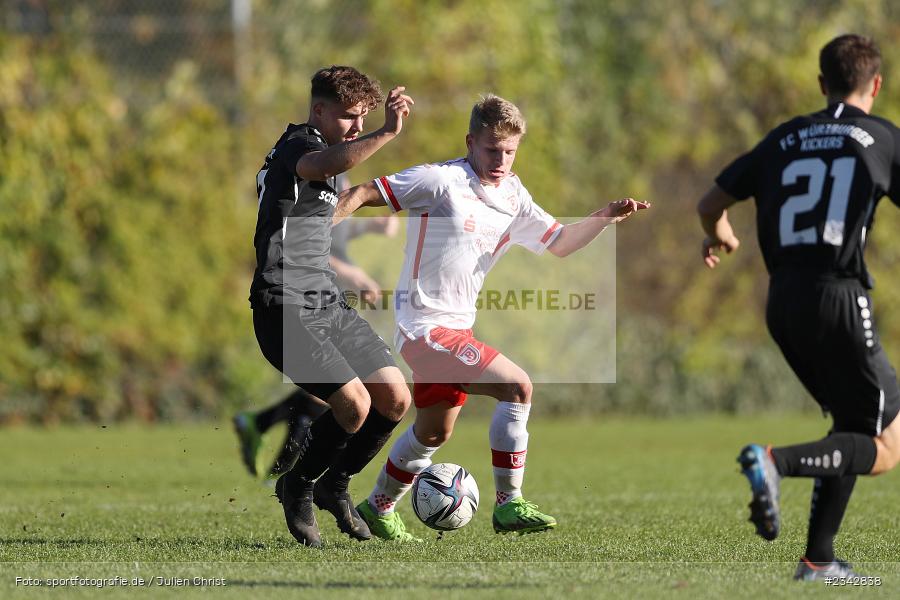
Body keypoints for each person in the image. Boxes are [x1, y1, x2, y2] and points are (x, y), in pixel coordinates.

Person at [334, 94, 648, 541]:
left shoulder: (513, 195)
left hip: (456, 329)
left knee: (432, 434)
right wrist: (312, 227)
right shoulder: (441, 180)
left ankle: (378, 507)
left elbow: (559, 242)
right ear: (470, 142)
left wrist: (603, 217)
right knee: (518, 387)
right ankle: (509, 503)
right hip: (424, 328)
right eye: (492, 150)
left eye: (510, 151)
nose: (501, 161)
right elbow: (366, 191)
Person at [697, 34, 900, 581]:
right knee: (887, 445)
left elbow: (710, 203)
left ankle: (818, 560)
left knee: (852, 424)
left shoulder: (783, 138)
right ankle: (775, 462)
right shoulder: (882, 137)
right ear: (876, 84)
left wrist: (722, 234)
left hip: (783, 301)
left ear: (821, 83)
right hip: (839, 296)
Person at [249, 65, 414, 547]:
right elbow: (321, 166)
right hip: (282, 304)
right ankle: (297, 485)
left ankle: (333, 485)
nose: (357, 127)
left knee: (394, 397)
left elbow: (323, 216)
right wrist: (386, 132)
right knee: (354, 405)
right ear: (318, 111)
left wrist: (362, 199)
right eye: (349, 117)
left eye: (364, 117)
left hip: (325, 300)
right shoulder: (298, 145)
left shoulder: (324, 162)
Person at [235, 199, 399, 480]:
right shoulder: (313, 176)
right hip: (311, 297)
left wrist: (369, 225)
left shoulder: (334, 179)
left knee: (330, 395)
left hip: (332, 299)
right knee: (335, 395)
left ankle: (265, 434)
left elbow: (335, 227)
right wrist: (351, 273)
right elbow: (297, 240)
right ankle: (283, 470)